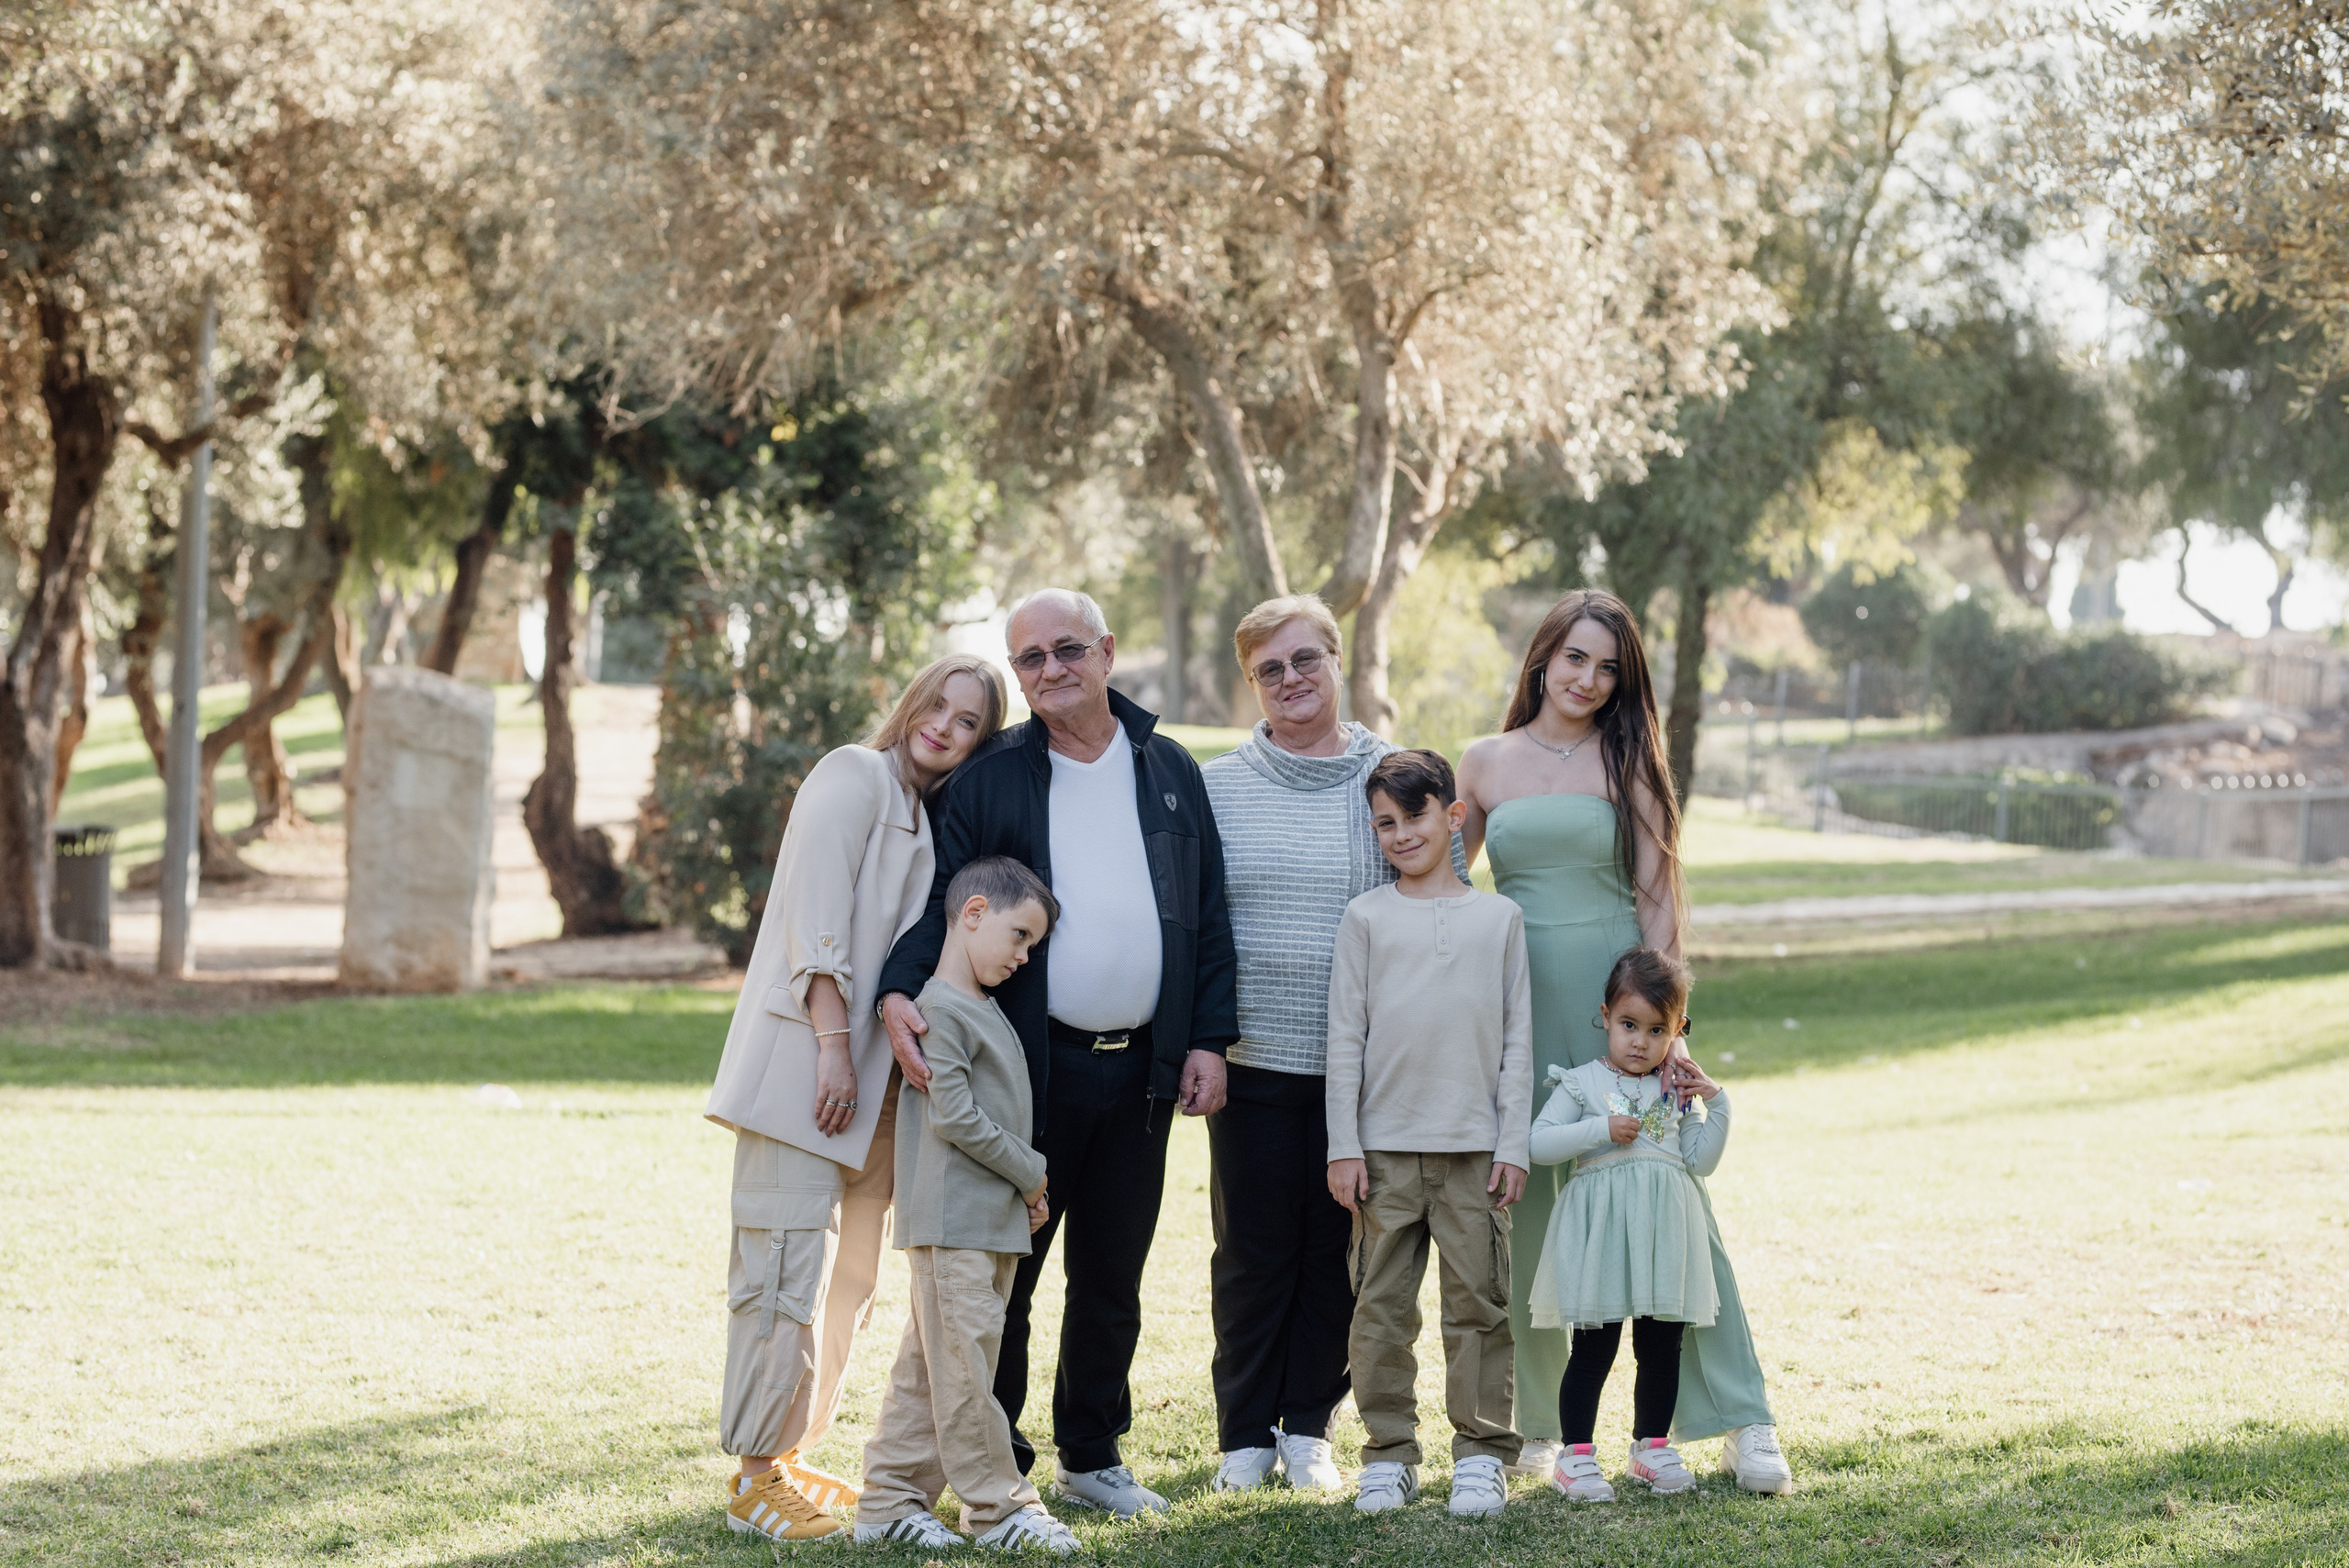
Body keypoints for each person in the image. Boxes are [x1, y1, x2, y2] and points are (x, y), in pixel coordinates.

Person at [876, 588, 1239, 1520]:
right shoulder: (992, 776)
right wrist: (894, 989)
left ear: (1107, 651)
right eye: (1029, 658)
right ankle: (995, 1461)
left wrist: (1206, 1037)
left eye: (1067, 649)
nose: (1050, 670)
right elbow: (941, 903)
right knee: (1009, 1275)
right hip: (1026, 1071)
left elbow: (1207, 912)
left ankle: (1092, 1453)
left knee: (1112, 1275)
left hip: (1145, 1071)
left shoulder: (1167, 766)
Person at [1457, 588, 1793, 1495]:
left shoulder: (1630, 758)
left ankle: (1739, 1416)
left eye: (1609, 667)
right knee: (1527, 1204)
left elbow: (1656, 898)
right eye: (1575, 657)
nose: (1589, 679)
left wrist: (1672, 1029)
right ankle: (1535, 1421)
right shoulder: (1482, 762)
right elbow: (1442, 882)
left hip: (1623, 1008)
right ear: (1543, 656)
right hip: (1521, 1003)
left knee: (1671, 1204)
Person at [705, 655, 1007, 1544]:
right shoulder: (851, 774)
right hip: (809, 1068)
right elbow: (816, 921)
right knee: (782, 1269)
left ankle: (789, 1451)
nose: (944, 726)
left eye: (967, 721)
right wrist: (834, 1046)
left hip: (877, 1086)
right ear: (910, 702)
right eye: (936, 705)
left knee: (849, 1280)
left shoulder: (924, 812)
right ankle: (754, 1474)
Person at [1199, 594, 1466, 1495]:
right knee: (1251, 1251)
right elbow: (1198, 924)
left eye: (1305, 658)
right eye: (1269, 669)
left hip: (1367, 1067)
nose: (1291, 679)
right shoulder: (1219, 785)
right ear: (1251, 682)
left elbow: (1441, 904)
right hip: (1251, 1059)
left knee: (1342, 1255)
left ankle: (1308, 1426)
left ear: (1337, 659)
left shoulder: (1391, 776)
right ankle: (1244, 1432)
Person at [853, 857, 1084, 1554]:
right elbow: (954, 1116)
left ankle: (888, 1500)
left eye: (1032, 945)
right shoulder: (941, 1010)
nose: (1023, 956)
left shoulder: (981, 1006)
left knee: (932, 1366)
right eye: (1019, 936)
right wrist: (1033, 1174)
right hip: (953, 1223)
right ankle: (997, 1508)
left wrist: (1021, 1195)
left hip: (985, 1220)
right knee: (965, 1374)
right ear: (974, 913)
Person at [1324, 749, 1532, 1519]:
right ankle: (1389, 1454)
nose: (1402, 833)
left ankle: (1481, 1454)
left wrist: (1513, 1143)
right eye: (1385, 822)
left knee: (1478, 1304)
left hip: (1475, 1150)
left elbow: (1518, 1039)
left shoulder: (1500, 919)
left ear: (1453, 815)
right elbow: (1344, 1037)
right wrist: (1343, 1144)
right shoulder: (1366, 917)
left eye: (1415, 816)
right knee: (1380, 1309)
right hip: (1383, 1151)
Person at [1527, 948, 1731, 1502]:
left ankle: (1652, 1447)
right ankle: (1576, 1455)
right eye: (1628, 1025)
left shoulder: (1676, 1092)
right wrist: (1599, 1128)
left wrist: (1718, 1104)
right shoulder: (1582, 1083)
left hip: (1663, 1234)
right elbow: (1538, 1143)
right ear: (1606, 1017)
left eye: (1656, 1029)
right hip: (1604, 1236)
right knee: (1594, 1348)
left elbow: (1699, 1161)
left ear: (1677, 1030)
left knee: (1662, 1347)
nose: (1640, 1041)